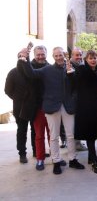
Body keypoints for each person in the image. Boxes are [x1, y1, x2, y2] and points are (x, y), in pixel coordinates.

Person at [18, 46, 85, 175]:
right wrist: (25, 58)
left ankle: (72, 159)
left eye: (61, 55)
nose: (59, 57)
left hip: (68, 106)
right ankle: (56, 161)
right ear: (53, 57)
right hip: (51, 106)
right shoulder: (47, 69)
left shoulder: (71, 68)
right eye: (56, 56)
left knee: (71, 134)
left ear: (65, 55)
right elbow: (31, 74)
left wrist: (72, 75)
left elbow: (76, 85)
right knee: (54, 136)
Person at [71, 50, 97, 174]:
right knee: (90, 134)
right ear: (86, 59)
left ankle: (92, 157)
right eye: (90, 58)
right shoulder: (81, 71)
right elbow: (73, 84)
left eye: (95, 58)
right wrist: (70, 74)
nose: (93, 60)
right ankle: (94, 161)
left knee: (94, 133)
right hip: (85, 107)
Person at [5, 51, 37, 164]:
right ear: (18, 58)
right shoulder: (13, 72)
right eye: (21, 57)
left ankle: (36, 151)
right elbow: (7, 90)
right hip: (20, 107)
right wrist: (18, 98)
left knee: (35, 130)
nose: (23, 59)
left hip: (33, 106)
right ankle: (22, 153)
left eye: (25, 57)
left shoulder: (32, 71)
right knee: (22, 131)